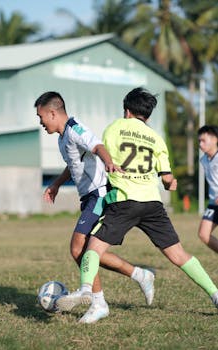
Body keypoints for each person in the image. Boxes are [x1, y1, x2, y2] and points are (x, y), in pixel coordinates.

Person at [56, 87, 218, 317]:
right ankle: (214, 294)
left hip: (124, 200)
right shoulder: (156, 138)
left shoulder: (114, 128)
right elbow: (167, 178)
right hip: (152, 203)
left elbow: (101, 154)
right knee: (179, 255)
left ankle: (85, 290)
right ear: (148, 115)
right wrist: (170, 183)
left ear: (127, 111)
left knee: (93, 247)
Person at [34, 91, 155, 324]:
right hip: (88, 197)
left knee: (77, 247)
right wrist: (57, 184)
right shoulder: (62, 138)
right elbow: (73, 164)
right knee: (92, 253)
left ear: (52, 112)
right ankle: (140, 274)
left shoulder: (74, 127)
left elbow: (97, 145)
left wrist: (108, 161)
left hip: (99, 194)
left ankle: (97, 301)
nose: (41, 123)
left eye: (41, 117)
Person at [198, 125, 218, 253]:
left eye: (203, 140)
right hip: (213, 203)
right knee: (203, 235)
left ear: (215, 140)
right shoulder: (203, 159)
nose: (200, 144)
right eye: (199, 141)